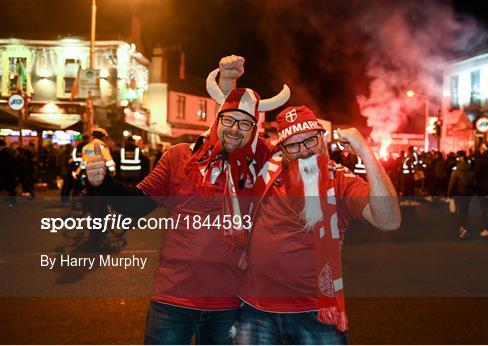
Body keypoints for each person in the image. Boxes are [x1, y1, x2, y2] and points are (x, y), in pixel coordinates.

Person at [84, 55, 291, 344]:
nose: (234, 128)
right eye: (228, 120)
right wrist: (102, 183)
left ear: (255, 130)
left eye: (245, 124)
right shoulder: (180, 157)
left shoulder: (260, 167)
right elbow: (136, 207)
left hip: (230, 303)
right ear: (217, 121)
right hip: (173, 299)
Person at [235, 106, 401, 344]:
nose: (304, 151)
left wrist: (365, 152)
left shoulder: (340, 179)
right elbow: (233, 132)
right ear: (282, 149)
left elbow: (390, 221)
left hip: (315, 312)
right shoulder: (268, 167)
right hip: (254, 309)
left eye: (310, 140)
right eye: (293, 145)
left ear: (322, 138)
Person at [448, 151, 475, 239]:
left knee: (460, 211)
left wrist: (450, 194)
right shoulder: (471, 171)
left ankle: (463, 228)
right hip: (468, 194)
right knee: (465, 211)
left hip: (459, 194)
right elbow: (474, 184)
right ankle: (465, 227)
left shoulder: (456, 172)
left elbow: (452, 184)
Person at [0, 139, 17, 208]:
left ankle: (12, 204)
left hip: (6, 175)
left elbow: (3, 165)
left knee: (10, 189)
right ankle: (12, 204)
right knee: (11, 190)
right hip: (10, 175)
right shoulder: (10, 152)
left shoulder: (3, 153)